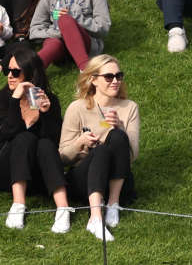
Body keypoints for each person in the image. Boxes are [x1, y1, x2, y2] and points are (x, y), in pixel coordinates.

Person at [0, 46, 74, 234]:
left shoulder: (48, 99)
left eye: (15, 71)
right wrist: (15, 100)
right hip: (4, 170)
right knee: (24, 137)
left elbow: (55, 143)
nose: (10, 76)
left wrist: (46, 115)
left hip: (36, 175)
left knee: (45, 143)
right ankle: (18, 205)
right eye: (8, 70)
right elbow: (4, 133)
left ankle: (63, 209)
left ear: (30, 73)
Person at [58, 54, 139, 240]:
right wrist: (80, 143)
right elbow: (62, 158)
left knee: (118, 136)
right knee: (101, 150)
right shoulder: (77, 108)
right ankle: (95, 217)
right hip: (84, 178)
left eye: (119, 76)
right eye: (109, 77)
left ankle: (113, 205)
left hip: (117, 178)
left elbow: (133, 155)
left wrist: (120, 126)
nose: (115, 81)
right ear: (93, 79)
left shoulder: (129, 107)